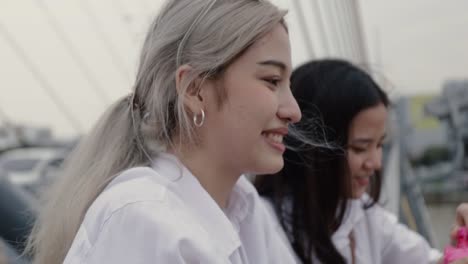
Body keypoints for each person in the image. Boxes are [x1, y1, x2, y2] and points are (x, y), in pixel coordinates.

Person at [25, 0, 302, 263]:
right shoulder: (145, 223)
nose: (294, 111)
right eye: (272, 80)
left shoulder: (242, 205)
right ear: (194, 89)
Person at [255, 59, 468, 264]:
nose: (375, 163)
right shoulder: (260, 227)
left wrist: (458, 249)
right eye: (360, 148)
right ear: (314, 148)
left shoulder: (360, 215)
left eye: (379, 145)